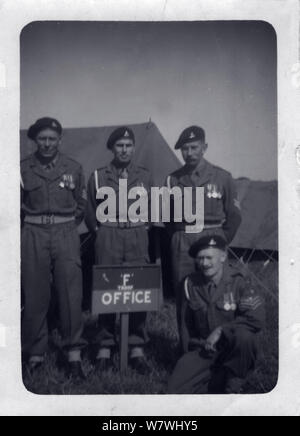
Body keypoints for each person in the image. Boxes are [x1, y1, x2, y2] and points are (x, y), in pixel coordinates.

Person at [21, 117, 87, 379]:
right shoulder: (22, 169)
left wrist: (66, 227)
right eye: (42, 139)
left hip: (65, 232)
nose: (47, 144)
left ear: (60, 140)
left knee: (71, 293)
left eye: (52, 139)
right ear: (35, 141)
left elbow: (81, 205)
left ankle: (74, 354)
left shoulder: (74, 167)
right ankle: (36, 353)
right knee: (35, 293)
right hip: (34, 232)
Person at [85, 126, 154, 375]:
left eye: (128, 145)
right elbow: (89, 208)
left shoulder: (145, 176)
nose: (124, 150)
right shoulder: (97, 176)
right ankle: (104, 346)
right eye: (119, 145)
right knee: (106, 289)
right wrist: (101, 232)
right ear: (112, 148)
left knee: (139, 290)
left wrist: (139, 229)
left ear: (133, 148)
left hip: (136, 235)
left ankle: (136, 347)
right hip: (108, 234)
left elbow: (151, 208)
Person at [165, 125, 242, 336]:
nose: (189, 153)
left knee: (216, 292)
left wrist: (220, 240)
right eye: (185, 149)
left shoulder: (222, 177)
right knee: (185, 293)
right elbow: (167, 217)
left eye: (194, 147)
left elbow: (234, 215)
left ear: (204, 147)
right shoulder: (172, 180)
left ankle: (219, 344)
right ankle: (187, 349)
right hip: (183, 240)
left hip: (212, 238)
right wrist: (179, 237)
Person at [167, 234, 265, 394]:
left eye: (209, 258)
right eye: (200, 259)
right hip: (204, 349)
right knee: (175, 390)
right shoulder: (189, 284)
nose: (204, 263)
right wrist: (186, 357)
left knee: (245, 336)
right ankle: (219, 380)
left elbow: (256, 319)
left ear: (223, 257)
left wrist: (222, 330)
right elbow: (184, 325)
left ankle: (233, 385)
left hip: (233, 347)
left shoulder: (240, 281)